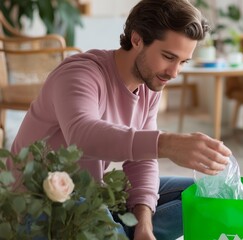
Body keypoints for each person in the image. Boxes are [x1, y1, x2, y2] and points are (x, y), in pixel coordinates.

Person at [8, 0, 231, 239]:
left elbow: (142, 161)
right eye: (168, 56)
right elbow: (82, 135)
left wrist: (144, 224)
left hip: (95, 192)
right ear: (137, 40)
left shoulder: (150, 85)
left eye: (183, 62)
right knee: (97, 214)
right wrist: (166, 143)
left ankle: (129, 232)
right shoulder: (80, 74)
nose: (174, 72)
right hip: (39, 203)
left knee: (214, 196)